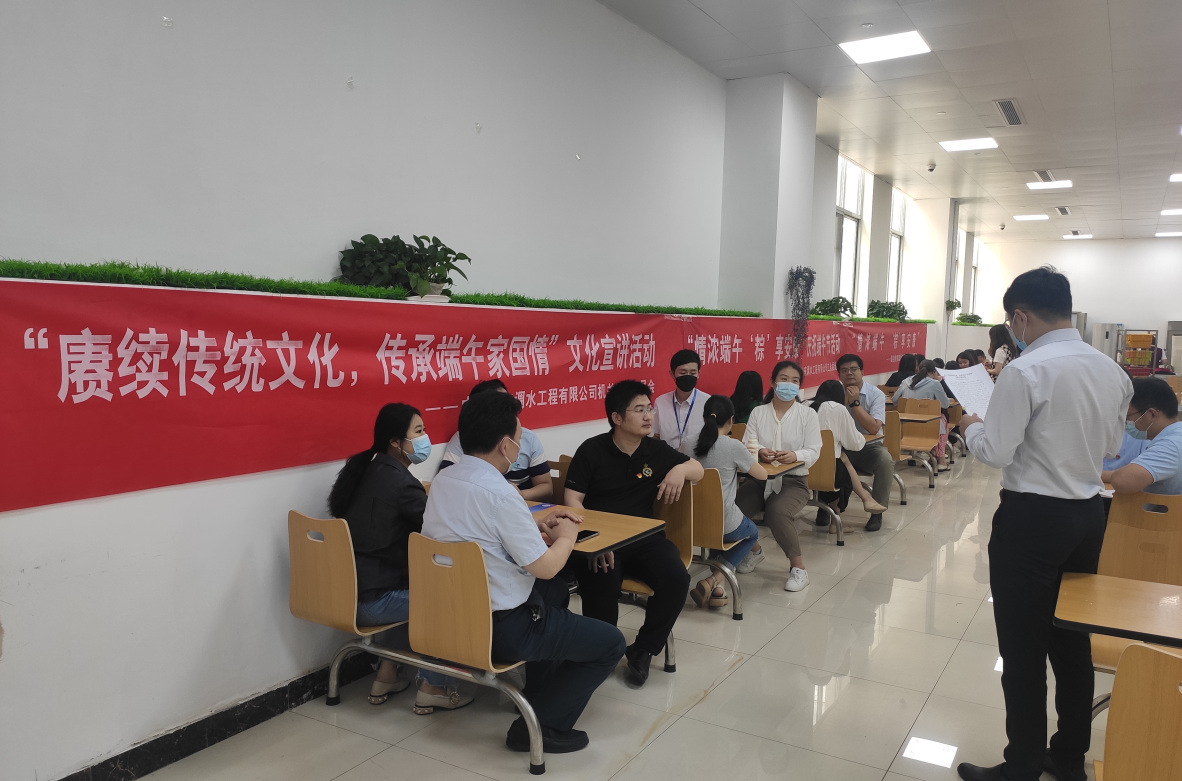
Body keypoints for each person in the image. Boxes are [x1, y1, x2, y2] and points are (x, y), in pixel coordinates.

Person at [955, 266, 1132, 781]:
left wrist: (970, 425)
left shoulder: (1025, 371)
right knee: (1071, 642)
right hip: (1088, 516)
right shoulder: (1112, 371)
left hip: (1032, 519)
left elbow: (995, 452)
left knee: (1023, 648)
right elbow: (1112, 448)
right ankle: (1069, 757)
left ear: (1020, 317)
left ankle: (1022, 765)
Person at [422, 391, 625, 754]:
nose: (519, 446)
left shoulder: (444, 482)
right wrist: (568, 536)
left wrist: (535, 525)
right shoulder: (501, 493)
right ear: (505, 446)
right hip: (501, 627)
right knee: (610, 642)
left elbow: (479, 535)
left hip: (448, 617)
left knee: (555, 595)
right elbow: (546, 567)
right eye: (517, 439)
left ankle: (539, 693)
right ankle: (541, 727)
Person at [327, 403, 474, 714]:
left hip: (345, 592)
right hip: (373, 599)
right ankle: (434, 686)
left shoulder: (366, 470)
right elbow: (441, 530)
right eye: (418, 432)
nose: (425, 438)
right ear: (395, 441)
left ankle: (386, 675)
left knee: (411, 586)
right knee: (445, 599)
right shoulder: (402, 484)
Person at [564, 380, 703, 686]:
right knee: (601, 580)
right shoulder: (592, 450)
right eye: (639, 410)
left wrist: (680, 470)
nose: (648, 416)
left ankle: (643, 649)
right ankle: (601, 652)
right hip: (601, 541)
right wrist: (594, 541)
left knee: (677, 578)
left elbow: (698, 469)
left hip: (644, 539)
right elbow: (572, 501)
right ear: (617, 417)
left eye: (649, 408)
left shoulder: (656, 450)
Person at [735, 360, 822, 591]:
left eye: (795, 381)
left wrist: (795, 455)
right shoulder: (759, 412)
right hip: (760, 479)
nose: (789, 384)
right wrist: (760, 450)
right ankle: (754, 551)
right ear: (773, 382)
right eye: (784, 379)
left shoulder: (807, 414)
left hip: (794, 482)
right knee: (732, 510)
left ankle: (798, 568)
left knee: (777, 512)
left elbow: (814, 450)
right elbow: (746, 444)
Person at [689, 395, 768, 608]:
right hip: (724, 525)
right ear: (731, 420)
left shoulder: (687, 442)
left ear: (704, 418)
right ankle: (714, 578)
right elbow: (762, 475)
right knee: (751, 533)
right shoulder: (732, 446)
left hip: (692, 524)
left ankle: (718, 589)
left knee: (718, 535)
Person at [438, 379, 552, 501]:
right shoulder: (463, 439)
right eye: (500, 405)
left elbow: (546, 486)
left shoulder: (528, 438)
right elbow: (449, 482)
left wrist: (520, 495)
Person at [810, 379, 887, 516]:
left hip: (801, 466)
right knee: (841, 460)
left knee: (842, 456)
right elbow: (855, 444)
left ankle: (825, 514)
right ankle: (862, 501)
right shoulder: (838, 409)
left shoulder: (805, 406)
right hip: (829, 470)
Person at [834, 353, 893, 531]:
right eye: (844, 370)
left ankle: (877, 512)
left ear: (862, 372)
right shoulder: (835, 392)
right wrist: (842, 402)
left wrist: (855, 404)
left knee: (885, 460)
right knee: (826, 458)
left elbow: (874, 428)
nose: (849, 373)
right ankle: (829, 509)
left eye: (854, 369)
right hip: (843, 448)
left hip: (868, 448)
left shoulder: (876, 394)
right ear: (839, 374)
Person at [1101, 376, 1182, 495]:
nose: (1126, 423)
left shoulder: (1171, 445)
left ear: (1152, 414)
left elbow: (1122, 481)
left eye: (1128, 417)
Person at [895, 359, 952, 471]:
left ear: (918, 369)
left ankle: (932, 456)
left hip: (905, 426)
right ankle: (941, 461)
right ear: (934, 372)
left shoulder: (906, 381)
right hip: (928, 427)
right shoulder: (935, 384)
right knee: (943, 419)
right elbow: (945, 404)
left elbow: (895, 401)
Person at [651, 349, 705, 455]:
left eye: (692, 373)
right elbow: (656, 436)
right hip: (668, 460)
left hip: (698, 460)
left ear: (698, 374)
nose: (688, 376)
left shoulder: (707, 402)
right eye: (683, 373)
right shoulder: (660, 402)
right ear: (672, 374)